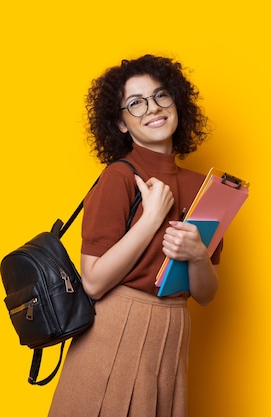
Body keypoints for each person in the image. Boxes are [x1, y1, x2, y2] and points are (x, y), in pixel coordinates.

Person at [48, 55, 222, 417]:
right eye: (136, 103)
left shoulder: (203, 188)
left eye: (161, 96)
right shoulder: (120, 177)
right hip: (115, 329)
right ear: (121, 123)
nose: (152, 109)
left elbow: (205, 294)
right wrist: (151, 219)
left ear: (177, 103)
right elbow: (93, 282)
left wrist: (197, 255)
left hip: (173, 329)